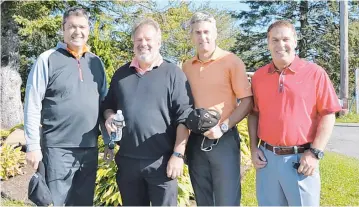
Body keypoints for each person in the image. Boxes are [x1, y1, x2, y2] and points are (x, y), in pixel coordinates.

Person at [248, 20, 342, 206]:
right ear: (268, 43)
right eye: (274, 40)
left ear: (295, 41)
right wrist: (253, 148)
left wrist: (315, 153)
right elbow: (254, 114)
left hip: (301, 160)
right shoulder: (259, 77)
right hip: (267, 160)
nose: (280, 44)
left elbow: (328, 114)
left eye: (285, 39)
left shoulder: (315, 73)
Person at [102, 18, 193, 206]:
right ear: (133, 44)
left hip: (162, 163)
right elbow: (107, 106)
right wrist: (109, 116)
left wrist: (178, 155)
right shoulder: (121, 74)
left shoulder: (173, 74)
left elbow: (184, 117)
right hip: (127, 162)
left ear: (158, 42)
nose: (143, 44)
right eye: (138, 40)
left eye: (148, 39)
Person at [24, 6, 109, 206]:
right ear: (63, 28)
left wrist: (109, 142)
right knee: (54, 202)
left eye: (82, 27)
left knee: (83, 202)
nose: (77, 31)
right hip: (56, 149)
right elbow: (33, 104)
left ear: (88, 30)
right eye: (72, 26)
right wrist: (33, 146)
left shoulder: (96, 63)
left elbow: (104, 104)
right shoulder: (47, 59)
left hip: (89, 148)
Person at [182, 12, 253, 206]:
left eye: (206, 32)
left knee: (227, 200)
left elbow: (247, 101)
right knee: (202, 199)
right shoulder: (186, 67)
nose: (202, 37)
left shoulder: (231, 61)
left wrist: (222, 128)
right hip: (196, 141)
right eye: (197, 32)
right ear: (192, 36)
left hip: (224, 138)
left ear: (215, 33)